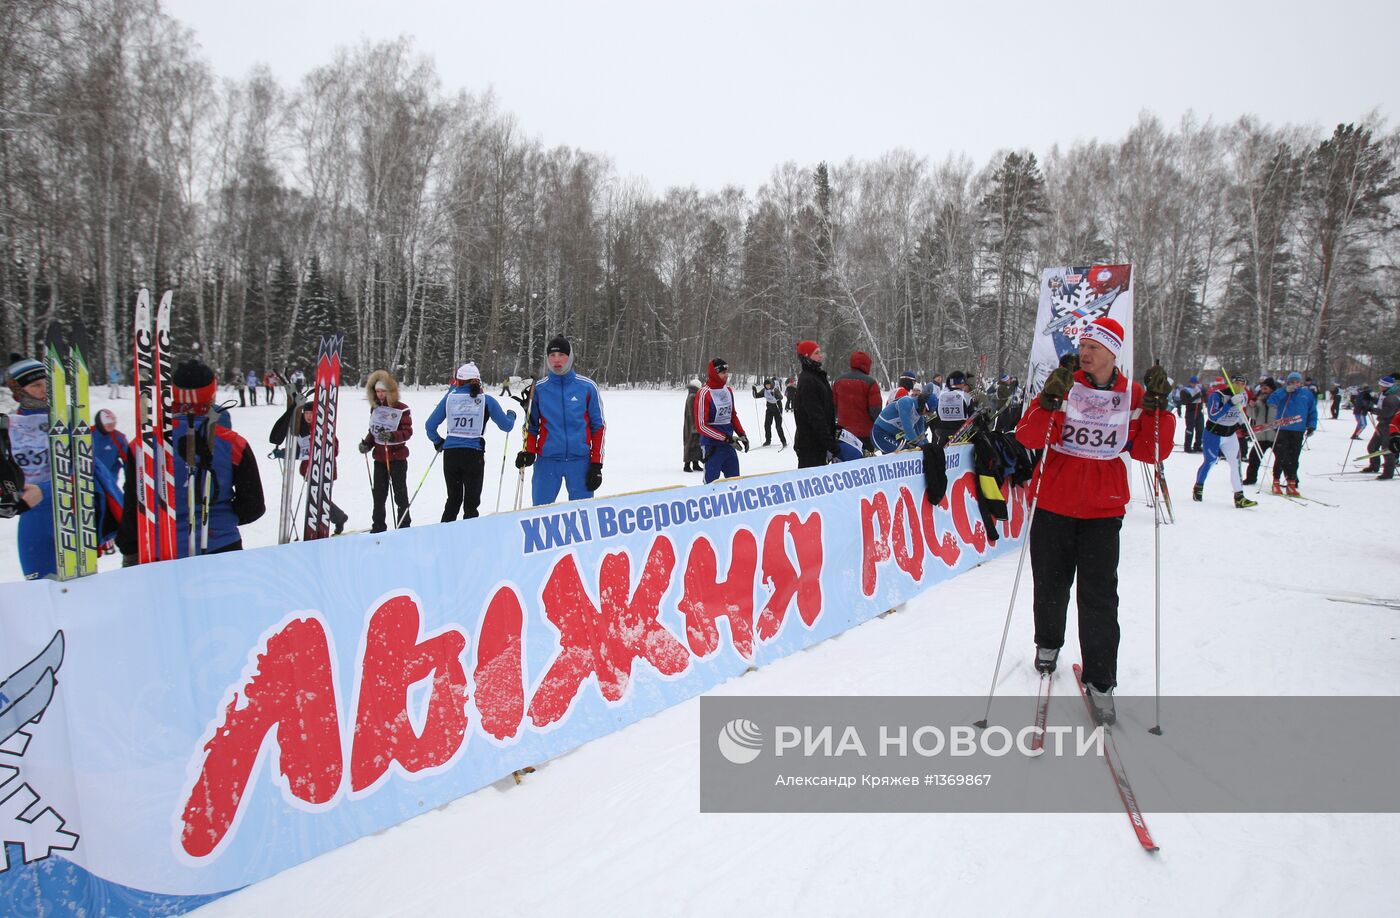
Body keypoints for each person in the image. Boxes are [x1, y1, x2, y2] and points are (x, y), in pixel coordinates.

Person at [1016, 317, 1175, 725]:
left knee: (1100, 597)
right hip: (1053, 501)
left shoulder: (1134, 394)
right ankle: (1048, 644)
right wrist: (1046, 402)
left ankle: (1101, 680)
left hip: (1103, 510)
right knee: (1050, 583)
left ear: (1112, 353)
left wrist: (1160, 411)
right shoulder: (1064, 383)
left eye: (1094, 347)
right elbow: (1030, 437)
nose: (1084, 353)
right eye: (1083, 345)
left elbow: (1149, 451)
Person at [117, 360, 264, 561]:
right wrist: (222, 519)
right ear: (212, 394)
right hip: (221, 546)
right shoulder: (234, 444)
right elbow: (253, 506)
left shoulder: (142, 445)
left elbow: (134, 502)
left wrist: (130, 549)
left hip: (159, 549)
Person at [515, 336, 606, 506]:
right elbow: (531, 426)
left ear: (570, 357)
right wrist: (529, 451)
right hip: (547, 462)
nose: (557, 360)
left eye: (562, 355)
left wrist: (596, 465)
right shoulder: (539, 389)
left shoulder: (587, 387)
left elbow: (598, 427)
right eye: (552, 355)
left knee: (582, 515)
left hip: (580, 463)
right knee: (540, 515)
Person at [427, 362, 517, 520]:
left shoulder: (450, 398)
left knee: (453, 501)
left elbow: (430, 425)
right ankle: (470, 540)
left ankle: (444, 539)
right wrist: (512, 416)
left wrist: (438, 441)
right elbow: (506, 426)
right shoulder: (486, 400)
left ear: (458, 381)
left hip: (451, 455)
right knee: (471, 504)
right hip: (473, 456)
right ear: (478, 381)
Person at [5, 355, 53, 576]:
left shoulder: (67, 419)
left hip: (69, 512)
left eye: (47, 383)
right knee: (40, 587)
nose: (45, 390)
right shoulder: (9, 426)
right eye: (36, 385)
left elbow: (87, 470)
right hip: (33, 517)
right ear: (19, 392)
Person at [281, 400, 348, 535]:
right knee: (316, 499)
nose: (309, 416)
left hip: (325, 469)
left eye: (312, 413)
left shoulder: (325, 428)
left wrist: (319, 445)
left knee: (319, 499)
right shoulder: (302, 430)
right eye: (306, 413)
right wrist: (284, 453)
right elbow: (299, 451)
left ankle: (336, 519)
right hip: (309, 470)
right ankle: (332, 521)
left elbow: (333, 450)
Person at [357, 370, 413, 531]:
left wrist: (392, 436)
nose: (380, 395)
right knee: (379, 496)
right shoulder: (375, 408)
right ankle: (378, 526)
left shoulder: (402, 409)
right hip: (380, 459)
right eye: (377, 392)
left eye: (383, 391)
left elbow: (407, 432)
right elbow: (374, 431)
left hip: (397, 458)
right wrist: (367, 444)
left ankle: (404, 525)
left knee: (400, 495)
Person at [1192, 376, 1257, 508]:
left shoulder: (1243, 395)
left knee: (1235, 464)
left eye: (1242, 384)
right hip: (1213, 434)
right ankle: (1198, 487)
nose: (1239, 386)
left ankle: (1239, 497)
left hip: (1230, 435)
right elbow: (1213, 416)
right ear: (1230, 384)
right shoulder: (1218, 395)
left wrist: (1243, 424)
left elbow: (1239, 413)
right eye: (1236, 383)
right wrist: (1229, 404)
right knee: (1210, 461)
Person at [695, 358, 749, 483]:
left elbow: (732, 415)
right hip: (712, 447)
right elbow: (701, 426)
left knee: (735, 482)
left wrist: (742, 434)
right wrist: (725, 438)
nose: (726, 375)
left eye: (727, 372)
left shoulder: (728, 391)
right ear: (714, 373)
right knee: (711, 485)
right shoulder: (704, 393)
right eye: (722, 372)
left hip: (729, 445)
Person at [1265, 372, 1318, 497]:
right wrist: (1285, 391)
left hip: (1298, 429)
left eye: (1297, 382)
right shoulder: (1283, 392)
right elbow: (1271, 401)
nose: (1295, 385)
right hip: (1283, 428)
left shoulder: (1306, 394)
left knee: (1294, 457)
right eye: (1292, 382)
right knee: (1281, 455)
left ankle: (1291, 483)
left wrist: (1311, 426)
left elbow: (1312, 411)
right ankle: (1276, 482)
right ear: (1288, 382)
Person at [792, 340, 836, 469]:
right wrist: (829, 442)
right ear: (806, 356)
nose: (820, 355)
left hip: (818, 442)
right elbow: (815, 415)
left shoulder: (817, 376)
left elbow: (825, 408)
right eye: (816, 353)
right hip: (810, 444)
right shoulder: (808, 380)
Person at [832, 351, 880, 454]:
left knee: (846, 463)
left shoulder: (839, 381)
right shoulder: (870, 382)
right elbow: (875, 410)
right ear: (867, 365)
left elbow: (833, 407)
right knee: (865, 464)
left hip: (844, 433)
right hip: (865, 433)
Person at [1243, 378, 1278, 486]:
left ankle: (1287, 479)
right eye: (1262, 387)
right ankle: (1251, 478)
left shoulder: (1278, 399)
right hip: (1261, 435)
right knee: (1254, 457)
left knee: (1282, 458)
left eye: (1266, 387)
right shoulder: (1258, 399)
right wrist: (1251, 406)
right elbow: (1252, 415)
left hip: (1275, 435)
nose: (1264, 389)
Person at [1364, 374, 1399, 479]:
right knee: (1372, 447)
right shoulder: (1386, 393)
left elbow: (1387, 412)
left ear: (1386, 386)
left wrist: (1371, 409)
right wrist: (1370, 399)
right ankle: (1374, 466)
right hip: (1382, 424)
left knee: (1386, 449)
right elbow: (1382, 403)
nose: (1379, 386)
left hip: (1390, 425)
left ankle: (1388, 473)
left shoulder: (1392, 397)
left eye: (1381, 385)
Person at [932, 371, 977, 445]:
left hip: (943, 434)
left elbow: (938, 414)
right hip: (961, 435)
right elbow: (972, 416)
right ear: (962, 382)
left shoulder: (941, 396)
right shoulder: (966, 396)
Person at [750, 376, 788, 447]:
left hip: (777, 409)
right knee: (767, 425)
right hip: (769, 409)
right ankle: (768, 440)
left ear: (771, 384)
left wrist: (775, 395)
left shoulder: (775, 390)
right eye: (766, 385)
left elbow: (781, 397)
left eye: (769, 385)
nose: (767, 386)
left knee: (778, 426)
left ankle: (783, 441)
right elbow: (756, 396)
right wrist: (754, 390)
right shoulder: (764, 390)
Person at [682, 378, 703, 472]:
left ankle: (695, 463)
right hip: (691, 425)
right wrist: (695, 426)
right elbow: (692, 412)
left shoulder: (693, 395)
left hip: (692, 424)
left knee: (696, 444)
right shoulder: (693, 396)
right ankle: (687, 465)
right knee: (690, 444)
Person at [1179, 375, 1203, 452]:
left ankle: (1197, 445)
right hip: (1190, 412)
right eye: (1193, 383)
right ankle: (1187, 447)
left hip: (1199, 411)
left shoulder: (1199, 389)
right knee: (1190, 430)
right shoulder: (1185, 390)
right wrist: (1196, 396)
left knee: (1200, 429)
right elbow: (1184, 401)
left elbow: (1204, 398)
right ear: (1189, 383)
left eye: (1195, 383)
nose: (1194, 385)